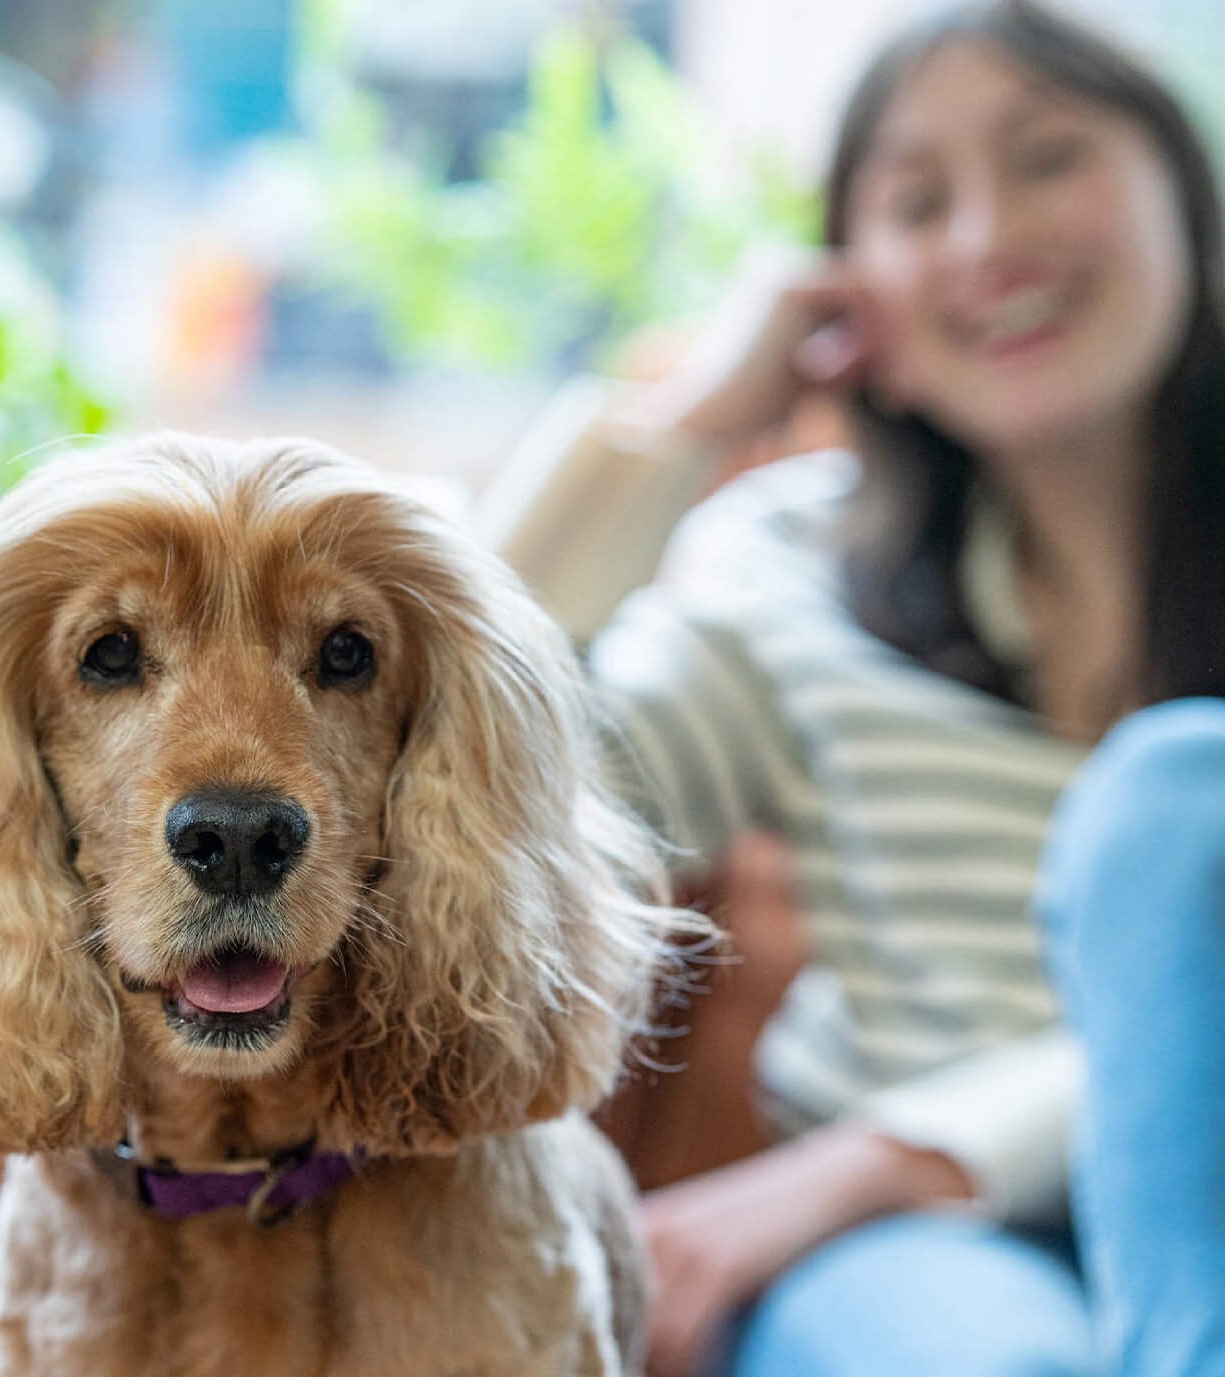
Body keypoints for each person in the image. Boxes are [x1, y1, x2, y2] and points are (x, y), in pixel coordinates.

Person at [479, 3, 1225, 1374]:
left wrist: (870, 1161)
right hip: (934, 1283)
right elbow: (456, 780)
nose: (988, 238)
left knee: (1182, 795)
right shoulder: (789, 567)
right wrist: (696, 415)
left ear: (1189, 191)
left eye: (1050, 158)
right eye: (916, 200)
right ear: (849, 288)